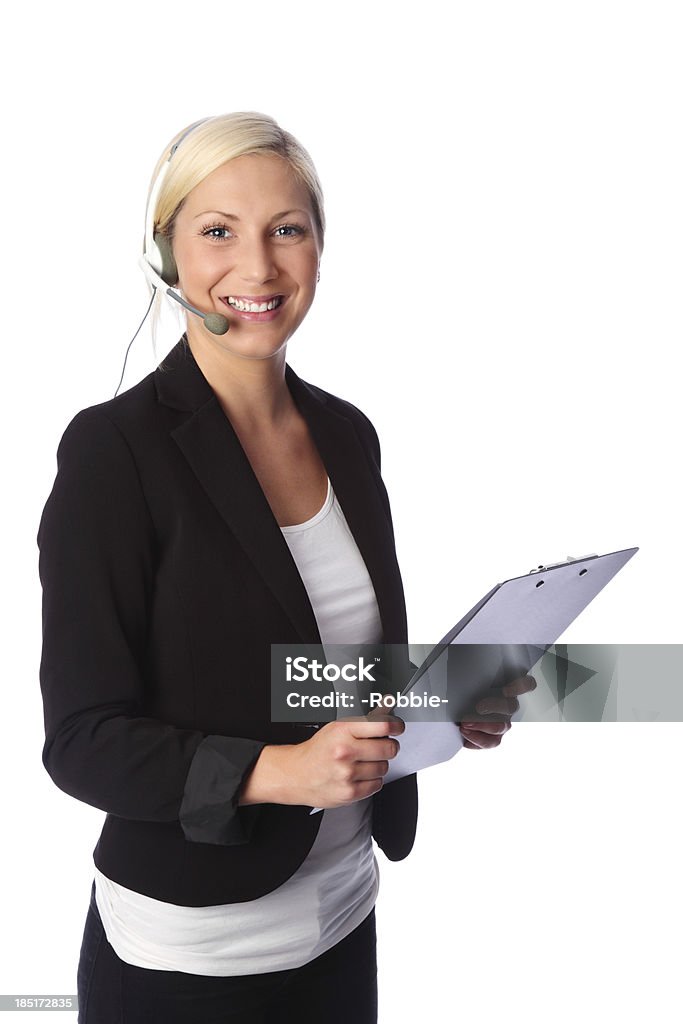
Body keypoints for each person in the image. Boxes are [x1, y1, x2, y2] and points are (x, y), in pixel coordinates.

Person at [37, 112, 533, 1024]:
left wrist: (439, 701)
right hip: (189, 958)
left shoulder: (345, 434)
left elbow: (320, 667)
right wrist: (275, 772)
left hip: (342, 916)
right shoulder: (116, 452)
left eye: (287, 230)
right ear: (165, 254)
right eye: (217, 231)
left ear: (318, 248)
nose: (258, 268)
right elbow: (82, 742)